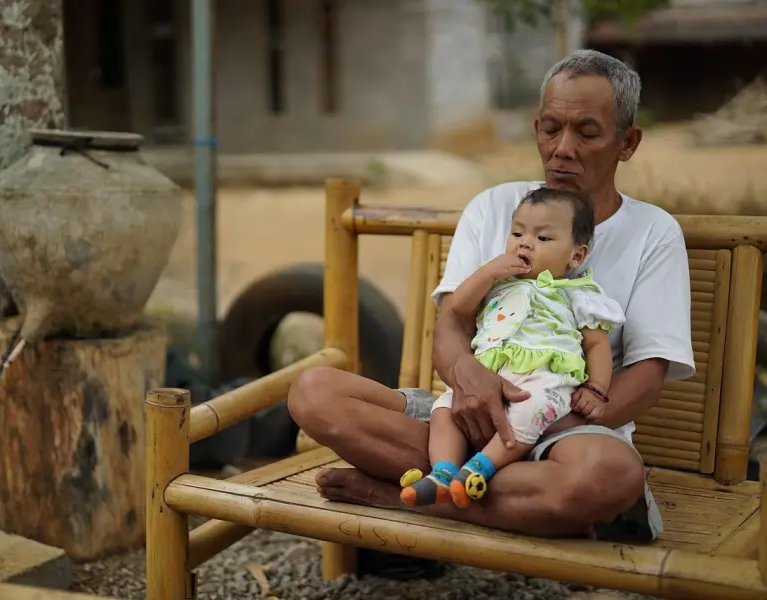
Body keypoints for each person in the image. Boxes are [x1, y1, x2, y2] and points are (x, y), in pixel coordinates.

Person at [287, 48, 694, 542]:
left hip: (565, 428)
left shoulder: (654, 231)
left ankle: (396, 495)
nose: (562, 148)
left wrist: (539, 424)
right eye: (550, 129)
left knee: (610, 476)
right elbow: (452, 325)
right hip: (463, 409)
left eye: (586, 133)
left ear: (627, 143)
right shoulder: (496, 206)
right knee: (314, 393)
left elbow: (648, 374)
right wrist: (472, 385)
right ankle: (515, 497)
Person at [399, 186, 625, 511]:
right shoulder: (497, 284)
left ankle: (480, 468)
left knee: (530, 411)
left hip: (544, 379)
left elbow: (596, 344)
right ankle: (443, 472)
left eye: (543, 238)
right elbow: (457, 309)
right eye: (517, 233)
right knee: (445, 408)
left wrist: (597, 388)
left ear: (576, 256)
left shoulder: (579, 294)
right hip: (488, 374)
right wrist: (487, 272)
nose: (525, 242)